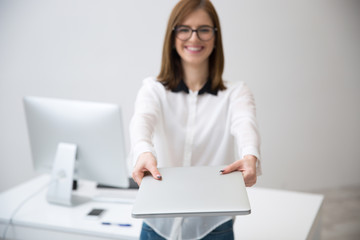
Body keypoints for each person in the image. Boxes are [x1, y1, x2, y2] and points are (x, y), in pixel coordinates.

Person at [129, 0, 261, 239]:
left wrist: (250, 155)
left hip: (214, 225)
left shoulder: (236, 92)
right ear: (172, 35)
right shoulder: (153, 89)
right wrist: (143, 151)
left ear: (215, 36)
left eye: (204, 29)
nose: (194, 38)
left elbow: (245, 124)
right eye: (184, 29)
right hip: (157, 222)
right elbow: (142, 121)